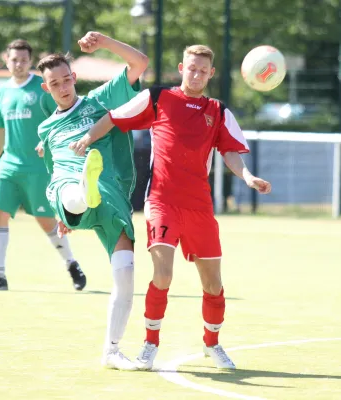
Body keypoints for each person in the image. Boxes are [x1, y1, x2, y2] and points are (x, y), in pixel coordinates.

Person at [73, 44, 272, 370]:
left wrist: (248, 177)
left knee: (213, 284)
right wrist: (86, 139)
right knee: (162, 275)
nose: (196, 74)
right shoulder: (158, 98)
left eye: (202, 70)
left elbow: (230, 151)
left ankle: (213, 344)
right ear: (182, 67)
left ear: (211, 73)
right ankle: (150, 343)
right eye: (191, 68)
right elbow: (114, 116)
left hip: (199, 208)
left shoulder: (218, 111)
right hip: (162, 202)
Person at [36, 31, 148, 370]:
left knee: (126, 274)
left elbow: (139, 62)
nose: (63, 86)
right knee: (71, 189)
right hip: (67, 187)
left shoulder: (100, 100)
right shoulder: (46, 130)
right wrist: (62, 213)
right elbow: (51, 174)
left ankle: (112, 351)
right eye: (54, 83)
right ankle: (82, 193)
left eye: (67, 79)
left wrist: (106, 43)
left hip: (110, 194)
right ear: (47, 88)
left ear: (75, 78)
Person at [0, 39, 85, 292]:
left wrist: (49, 143)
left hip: (37, 168)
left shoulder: (42, 88)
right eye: (14, 59)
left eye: (23, 59)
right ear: (6, 59)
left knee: (46, 221)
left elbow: (59, 117)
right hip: (9, 165)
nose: (19, 64)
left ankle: (71, 263)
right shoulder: (3, 91)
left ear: (30, 61)